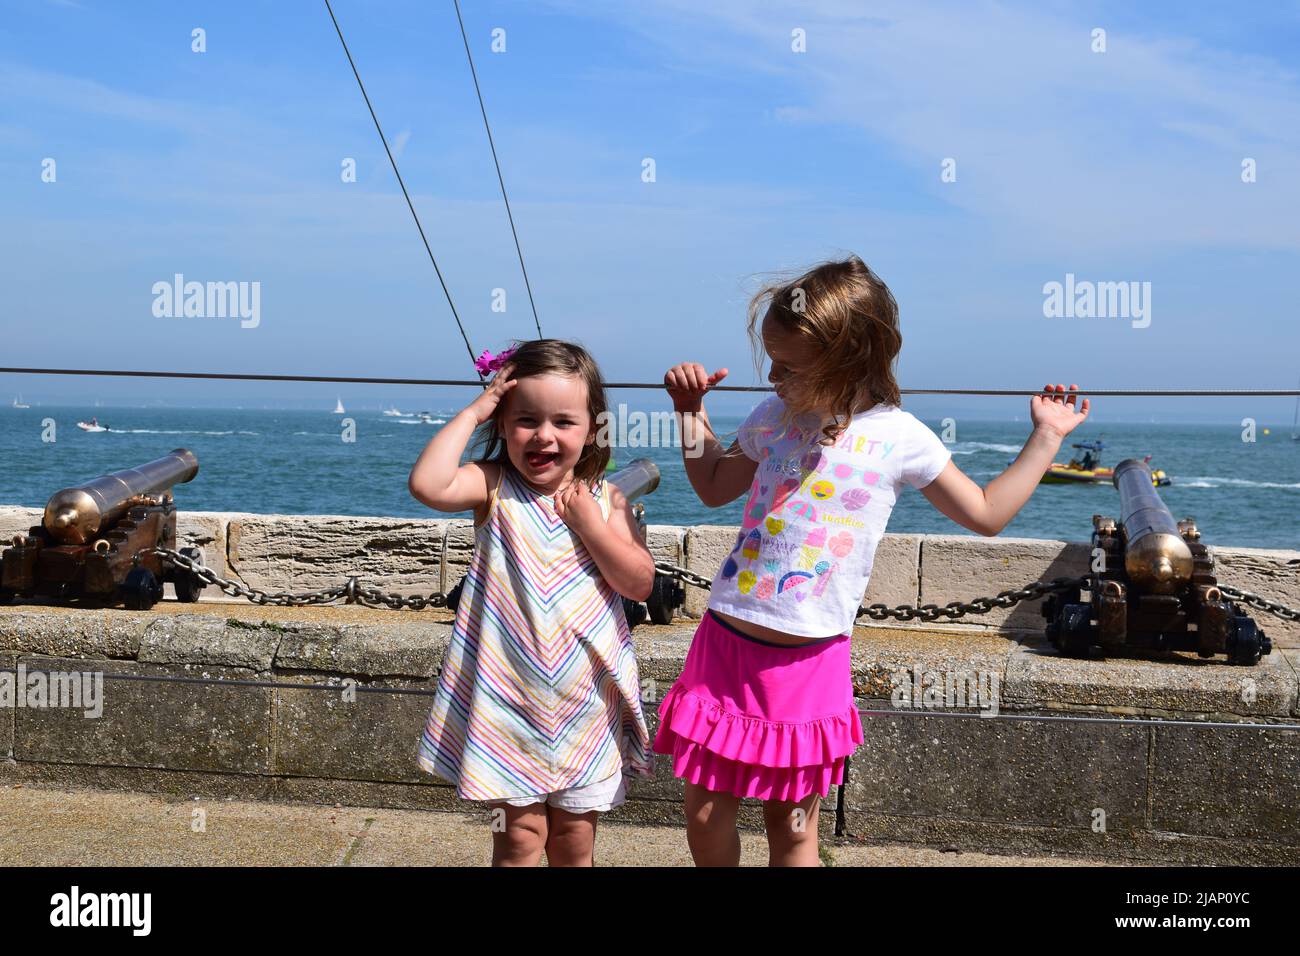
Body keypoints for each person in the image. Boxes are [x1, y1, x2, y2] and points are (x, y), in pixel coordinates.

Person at [658, 255, 1090, 866]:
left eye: (789, 365)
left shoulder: (900, 436)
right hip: (724, 643)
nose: (774, 377)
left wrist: (1047, 436)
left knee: (793, 826)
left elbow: (987, 513)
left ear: (848, 360)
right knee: (703, 814)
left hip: (807, 660)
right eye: (771, 360)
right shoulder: (772, 419)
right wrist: (689, 413)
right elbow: (712, 485)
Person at [410, 338, 655, 866]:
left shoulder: (605, 498)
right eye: (526, 420)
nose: (544, 435)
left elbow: (638, 582)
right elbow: (428, 483)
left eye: (564, 422)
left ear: (593, 428)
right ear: (502, 424)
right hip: (507, 702)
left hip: (585, 703)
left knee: (574, 842)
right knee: (518, 838)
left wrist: (591, 523)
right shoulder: (493, 485)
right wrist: (478, 407)